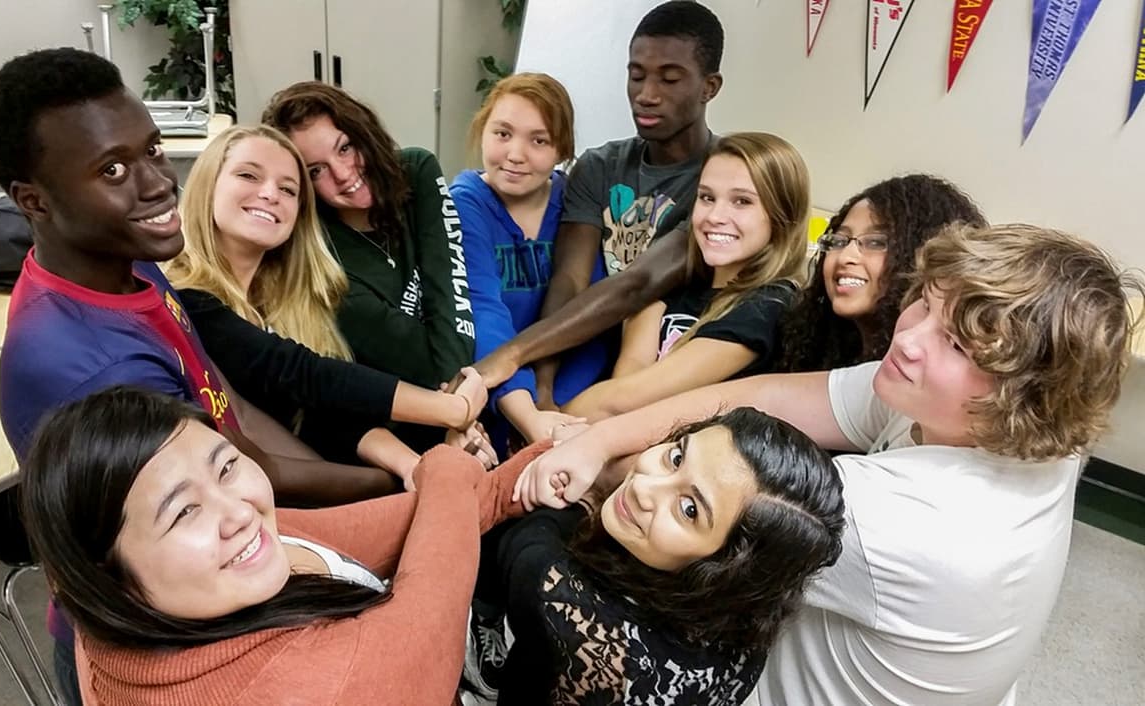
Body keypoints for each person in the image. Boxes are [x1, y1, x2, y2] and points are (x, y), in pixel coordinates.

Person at [516, 224, 1144, 705]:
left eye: (956, 343)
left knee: (558, 563)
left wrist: (586, 458)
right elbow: (767, 398)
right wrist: (600, 439)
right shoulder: (1033, 426)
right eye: (926, 302)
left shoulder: (905, 522)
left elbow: (677, 502)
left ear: (1024, 398)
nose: (908, 338)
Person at [0, 48, 395, 704]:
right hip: (172, 638)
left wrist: (371, 494)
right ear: (34, 200)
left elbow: (225, 404)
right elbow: (218, 503)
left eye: (152, 150)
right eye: (113, 170)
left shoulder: (125, 260)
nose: (158, 184)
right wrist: (391, 486)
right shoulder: (94, 369)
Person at [18, 386, 541, 705]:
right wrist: (446, 465)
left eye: (226, 465)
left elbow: (379, 527)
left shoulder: (136, 606)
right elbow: (428, 616)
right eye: (182, 512)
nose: (239, 512)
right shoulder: (309, 689)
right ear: (106, 575)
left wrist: (540, 465)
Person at [168, 125, 496, 487]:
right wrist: (452, 410)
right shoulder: (184, 298)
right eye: (248, 175)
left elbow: (322, 418)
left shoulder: (283, 304)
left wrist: (417, 467)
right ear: (208, 184)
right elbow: (302, 374)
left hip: (316, 480)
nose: (270, 194)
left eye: (288, 189)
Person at [480, 407, 844, 704]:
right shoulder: (747, 614)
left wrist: (585, 489)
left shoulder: (579, 623)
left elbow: (524, 540)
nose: (645, 486)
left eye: (689, 509)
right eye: (677, 456)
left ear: (723, 569)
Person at [472, 0, 726, 394]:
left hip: (667, 374)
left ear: (709, 87)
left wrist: (512, 354)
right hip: (585, 364)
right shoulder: (599, 166)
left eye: (669, 79)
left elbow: (638, 283)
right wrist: (543, 387)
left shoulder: (722, 178)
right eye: (637, 76)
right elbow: (570, 280)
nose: (646, 94)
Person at [563, 132, 809, 421]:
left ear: (782, 214)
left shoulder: (769, 305)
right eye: (706, 197)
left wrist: (550, 426)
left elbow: (621, 401)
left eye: (742, 201)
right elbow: (627, 380)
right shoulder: (675, 282)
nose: (714, 216)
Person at [262, 81, 474, 392]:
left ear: (365, 133)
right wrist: (460, 394)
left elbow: (451, 291)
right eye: (316, 170)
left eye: (345, 148)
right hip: (403, 408)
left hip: (464, 389)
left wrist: (463, 388)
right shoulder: (323, 263)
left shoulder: (416, 172)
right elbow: (429, 368)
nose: (343, 174)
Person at [450, 72, 600, 449]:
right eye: (503, 134)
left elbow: (592, 315)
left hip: (571, 397)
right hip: (494, 396)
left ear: (562, 149)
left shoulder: (576, 202)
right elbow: (483, 311)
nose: (516, 154)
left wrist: (560, 405)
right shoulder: (465, 202)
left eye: (539, 140)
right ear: (482, 131)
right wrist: (529, 414)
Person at [776, 174, 985, 373]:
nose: (845, 256)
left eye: (876, 242)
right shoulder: (817, 346)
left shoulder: (924, 374)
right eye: (839, 241)